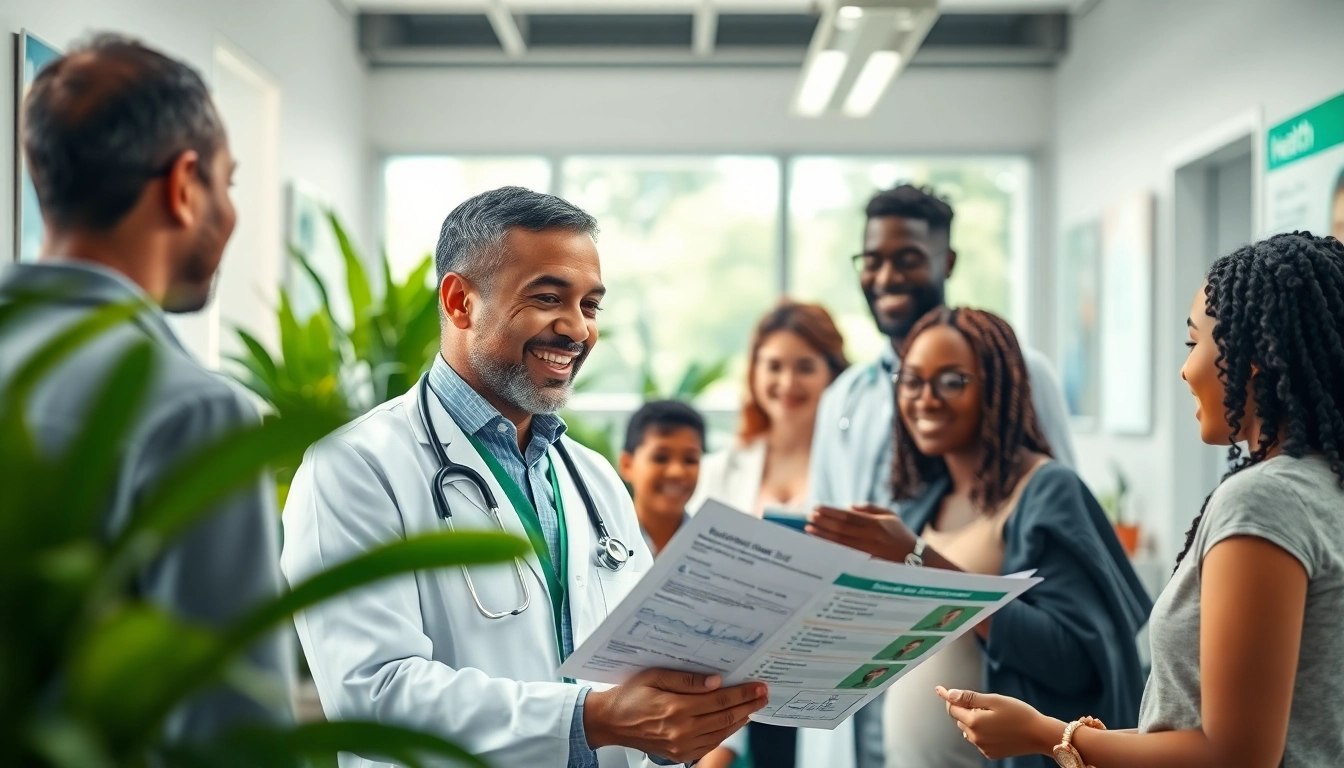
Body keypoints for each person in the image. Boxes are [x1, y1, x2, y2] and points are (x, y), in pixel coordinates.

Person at [281, 187, 767, 768]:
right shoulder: (355, 468)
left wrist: (689, 713)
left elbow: (643, 664)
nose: (578, 330)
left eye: (590, 306)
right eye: (547, 297)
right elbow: (374, 694)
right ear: (460, 301)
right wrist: (593, 718)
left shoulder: (594, 479)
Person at [935, 232, 1344, 768]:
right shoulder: (1323, 488)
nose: (1185, 369)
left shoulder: (1264, 501)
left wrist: (1048, 735)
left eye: (1194, 343)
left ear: (1252, 357)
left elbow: (1235, 756)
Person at [0, 35, 291, 742]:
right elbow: (232, 732)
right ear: (183, 185)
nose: (228, 210)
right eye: (227, 183)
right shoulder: (188, 410)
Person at [808, 307, 1151, 768]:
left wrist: (915, 558)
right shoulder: (925, 504)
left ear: (996, 387)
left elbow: (1074, 659)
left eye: (951, 381)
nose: (925, 399)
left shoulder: (1045, 490)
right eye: (911, 380)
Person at [807, 184, 1077, 768]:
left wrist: (914, 558)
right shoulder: (844, 396)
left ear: (945, 262)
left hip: (988, 665)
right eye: (872, 260)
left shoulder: (1019, 372)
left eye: (907, 258)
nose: (885, 276)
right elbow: (825, 532)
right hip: (866, 662)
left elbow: (1059, 526)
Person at [687, 300, 847, 768]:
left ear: (833, 375)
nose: (787, 383)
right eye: (773, 366)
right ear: (754, 373)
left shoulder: (850, 470)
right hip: (733, 673)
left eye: (805, 367)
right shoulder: (719, 469)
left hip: (820, 674)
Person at [618, 399, 746, 768]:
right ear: (627, 464)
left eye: (690, 459)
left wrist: (711, 759)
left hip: (705, 748)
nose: (677, 471)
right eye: (660, 457)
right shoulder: (598, 545)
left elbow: (735, 667)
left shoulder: (720, 557)